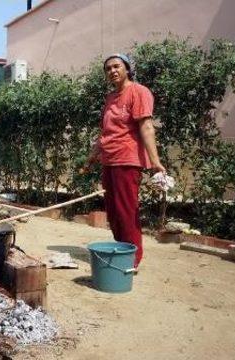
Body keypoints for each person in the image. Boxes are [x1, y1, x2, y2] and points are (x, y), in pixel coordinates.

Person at [86, 53, 166, 269]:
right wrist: (92, 157)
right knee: (113, 212)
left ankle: (132, 259)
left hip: (127, 160)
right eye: (108, 69)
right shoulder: (110, 98)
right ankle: (123, 251)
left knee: (126, 210)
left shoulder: (139, 92)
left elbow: (146, 127)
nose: (112, 71)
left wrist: (155, 161)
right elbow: (106, 132)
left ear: (127, 69)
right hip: (109, 160)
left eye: (116, 66)